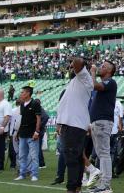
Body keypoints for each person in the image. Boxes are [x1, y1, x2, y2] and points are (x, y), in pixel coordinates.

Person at [56, 57, 94, 193]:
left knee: (72, 158)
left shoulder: (84, 77)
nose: (71, 67)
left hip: (74, 125)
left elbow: (78, 63)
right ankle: (76, 187)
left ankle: (72, 188)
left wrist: (72, 58)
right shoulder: (76, 80)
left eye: (73, 66)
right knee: (76, 158)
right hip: (72, 124)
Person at [89, 60, 118, 193]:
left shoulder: (110, 82)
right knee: (101, 154)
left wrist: (93, 72)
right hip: (98, 122)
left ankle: (106, 184)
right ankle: (103, 183)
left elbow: (94, 85)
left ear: (109, 71)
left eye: (104, 66)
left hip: (102, 122)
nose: (101, 67)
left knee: (104, 153)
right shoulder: (105, 83)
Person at [14, 86, 42, 182]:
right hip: (23, 133)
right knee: (22, 155)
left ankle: (34, 174)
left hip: (32, 133)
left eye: (22, 92)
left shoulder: (35, 103)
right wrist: (17, 132)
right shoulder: (22, 104)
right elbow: (22, 119)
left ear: (28, 93)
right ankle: (22, 174)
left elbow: (39, 118)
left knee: (34, 156)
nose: (21, 94)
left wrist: (37, 132)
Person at [8, 99, 21, 170]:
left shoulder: (12, 111)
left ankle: (13, 164)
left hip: (13, 132)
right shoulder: (21, 110)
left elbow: (9, 122)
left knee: (13, 149)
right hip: (20, 132)